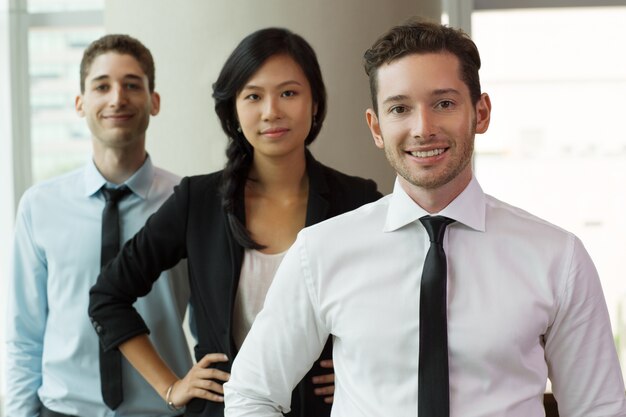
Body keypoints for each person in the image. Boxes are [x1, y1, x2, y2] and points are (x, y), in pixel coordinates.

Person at [223, 19, 626, 417]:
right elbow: (251, 394)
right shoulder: (321, 251)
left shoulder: (558, 257)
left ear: (481, 112)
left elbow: (598, 409)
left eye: (444, 103)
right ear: (376, 127)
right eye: (400, 108)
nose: (423, 128)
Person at [87, 27, 382, 417]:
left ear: (314, 103)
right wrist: (170, 387)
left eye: (289, 93)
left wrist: (361, 365)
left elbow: (401, 305)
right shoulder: (199, 201)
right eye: (253, 96)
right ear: (234, 109)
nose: (271, 111)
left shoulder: (356, 200)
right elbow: (108, 296)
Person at [5, 34, 192, 417]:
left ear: (154, 102)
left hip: (164, 410)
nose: (117, 98)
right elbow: (24, 335)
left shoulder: (188, 203)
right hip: (62, 410)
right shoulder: (39, 207)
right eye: (101, 86)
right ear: (80, 103)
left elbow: (216, 328)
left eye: (132, 85)